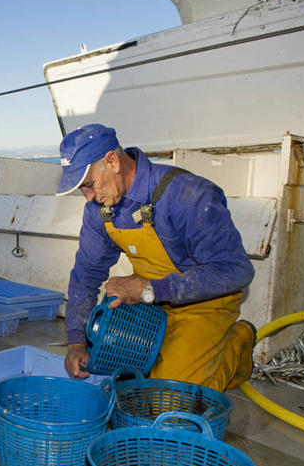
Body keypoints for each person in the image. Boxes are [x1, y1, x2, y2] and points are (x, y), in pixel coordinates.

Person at [57, 124, 256, 391]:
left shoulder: (186, 194)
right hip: (149, 302)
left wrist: (151, 289)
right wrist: (77, 341)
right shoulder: (99, 209)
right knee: (124, 382)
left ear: (112, 161)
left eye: (90, 184)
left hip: (205, 303)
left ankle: (237, 344)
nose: (90, 196)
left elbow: (236, 270)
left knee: (171, 400)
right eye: (83, 189)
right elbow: (86, 275)